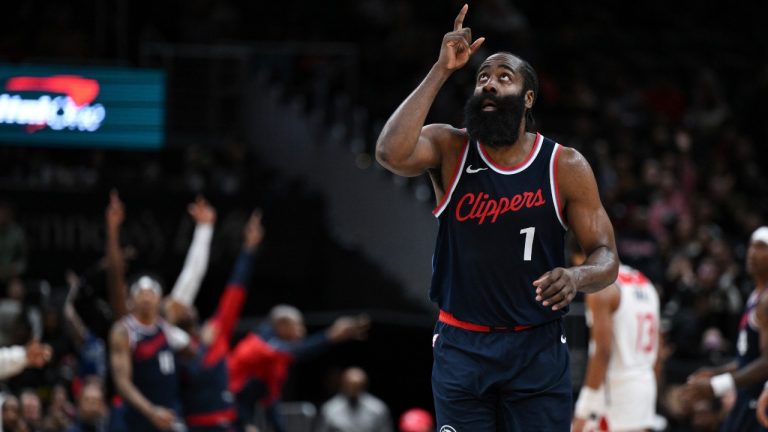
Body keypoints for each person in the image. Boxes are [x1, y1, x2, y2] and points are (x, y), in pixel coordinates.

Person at [374, 4, 618, 431]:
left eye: (503, 78)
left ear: (527, 99)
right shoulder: (450, 147)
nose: (488, 84)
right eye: (482, 78)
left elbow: (606, 257)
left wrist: (576, 278)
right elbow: (389, 153)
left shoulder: (564, 165)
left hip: (536, 346)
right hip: (462, 345)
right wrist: (441, 70)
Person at [106, 192, 194, 432]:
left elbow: (192, 275)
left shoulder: (166, 323)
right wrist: (113, 230)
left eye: (151, 292)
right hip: (137, 419)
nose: (145, 296)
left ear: (159, 299)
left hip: (168, 416)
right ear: (131, 300)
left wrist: (204, 228)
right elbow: (122, 382)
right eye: (139, 292)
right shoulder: (124, 330)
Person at [173, 211, 264, 432]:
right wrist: (201, 346)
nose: (186, 308)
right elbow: (189, 376)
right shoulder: (170, 347)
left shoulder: (216, 330)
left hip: (226, 424)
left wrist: (248, 250)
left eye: (188, 306)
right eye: (176, 307)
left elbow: (235, 292)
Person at [228, 306, 370, 432]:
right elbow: (296, 352)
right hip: (224, 408)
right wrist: (330, 336)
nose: (302, 330)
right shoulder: (259, 345)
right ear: (282, 325)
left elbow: (271, 399)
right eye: (297, 325)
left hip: (244, 408)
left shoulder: (276, 361)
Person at [570, 237, 661, 432]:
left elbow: (601, 352)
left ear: (582, 258)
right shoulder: (645, 283)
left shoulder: (601, 289)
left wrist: (583, 409)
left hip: (616, 393)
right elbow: (660, 351)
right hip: (645, 386)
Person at [682, 226, 768, 432]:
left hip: (762, 403)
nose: (752, 252)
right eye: (751, 246)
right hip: (747, 399)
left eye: (761, 247)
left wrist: (718, 386)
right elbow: (748, 359)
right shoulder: (756, 297)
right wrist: (714, 373)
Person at [316, 367, 393, 432]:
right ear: (343, 384)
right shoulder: (329, 409)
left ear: (364, 385)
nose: (353, 389)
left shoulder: (378, 408)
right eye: (350, 385)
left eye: (357, 385)